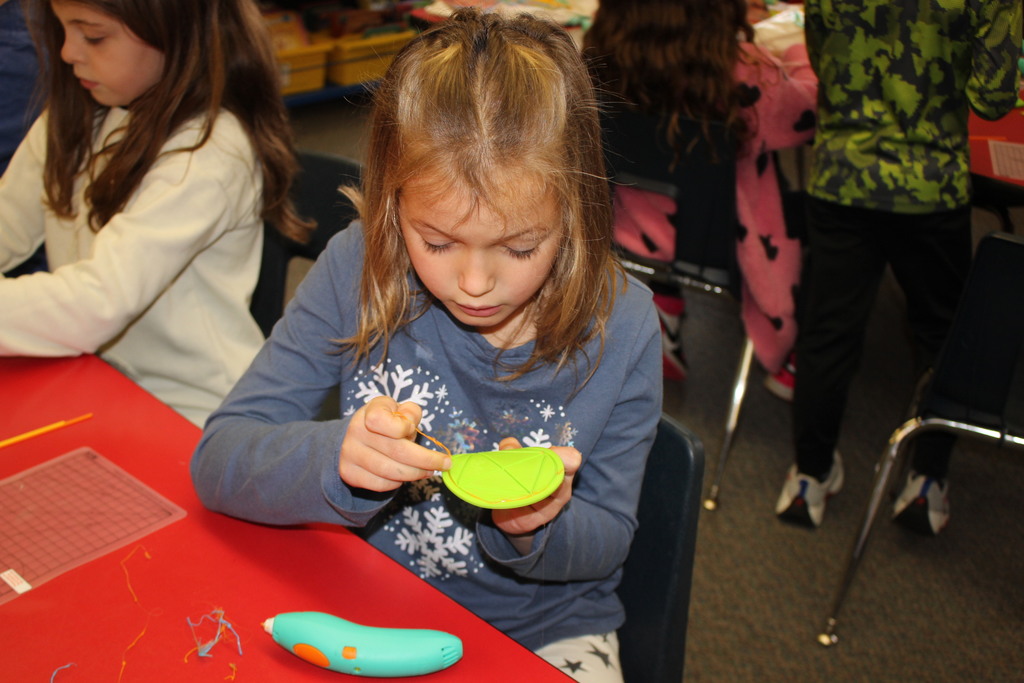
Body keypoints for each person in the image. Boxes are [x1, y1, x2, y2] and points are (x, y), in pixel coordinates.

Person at [190, 9, 662, 683]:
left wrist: (531, 525)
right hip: (368, 598)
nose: (473, 283)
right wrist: (337, 459)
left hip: (545, 631)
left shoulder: (625, 326)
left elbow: (608, 538)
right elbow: (218, 458)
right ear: (392, 202)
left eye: (520, 246)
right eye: (436, 242)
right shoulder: (358, 267)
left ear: (578, 213)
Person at [0, 0, 311, 427]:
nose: (67, 52)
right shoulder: (78, 115)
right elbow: (6, 224)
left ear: (176, 35)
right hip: (95, 382)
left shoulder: (210, 151)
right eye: (63, 30)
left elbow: (97, 302)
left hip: (195, 414)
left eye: (93, 35)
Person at [776, 0, 1022, 531]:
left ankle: (809, 475)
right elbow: (996, 96)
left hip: (844, 175)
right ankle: (927, 482)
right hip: (930, 188)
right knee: (941, 335)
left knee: (827, 333)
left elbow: (823, 58)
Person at [583, 0, 817, 382]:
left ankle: (663, 304)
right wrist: (801, 52)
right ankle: (795, 360)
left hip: (619, 230)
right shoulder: (746, 71)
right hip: (718, 243)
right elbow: (808, 111)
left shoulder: (600, 58)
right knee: (826, 220)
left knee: (667, 181)